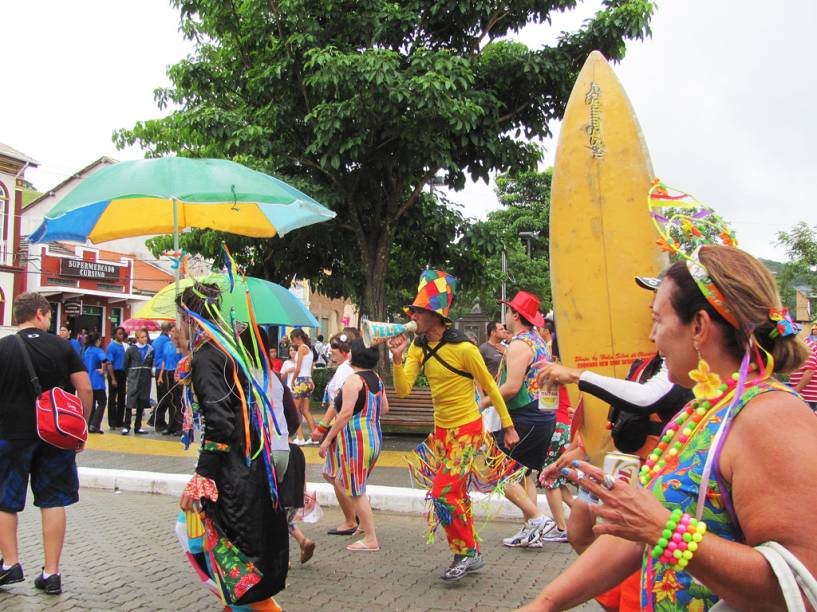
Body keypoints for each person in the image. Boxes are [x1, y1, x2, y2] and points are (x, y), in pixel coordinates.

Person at [522, 244, 817, 611]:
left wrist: (664, 529)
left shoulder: (770, 416)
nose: (651, 336)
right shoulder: (701, 410)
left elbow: (800, 584)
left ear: (698, 327)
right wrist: (545, 603)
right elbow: (640, 535)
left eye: (658, 320)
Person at [390, 269, 521, 581]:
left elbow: (490, 386)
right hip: (442, 433)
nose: (414, 316)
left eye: (419, 311)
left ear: (435, 316)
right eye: (414, 311)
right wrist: (397, 359)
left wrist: (508, 426)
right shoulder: (418, 346)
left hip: (467, 429)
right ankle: (471, 552)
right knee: (457, 495)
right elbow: (405, 389)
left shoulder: (464, 349)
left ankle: (464, 552)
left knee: (443, 493)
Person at [176, 283, 289, 608]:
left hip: (234, 479)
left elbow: (221, 423)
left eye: (179, 319)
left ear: (190, 317)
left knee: (238, 573)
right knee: (236, 576)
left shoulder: (209, 357)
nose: (176, 328)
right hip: (248, 471)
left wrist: (202, 476)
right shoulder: (229, 352)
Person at [0, 292, 92, 595]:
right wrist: (82, 428)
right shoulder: (63, 346)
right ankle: (51, 574)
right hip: (55, 435)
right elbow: (85, 388)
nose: (50, 320)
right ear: (39, 314)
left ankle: (10, 563)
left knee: (4, 500)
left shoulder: (4, 347)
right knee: (53, 501)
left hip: (11, 435)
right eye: (49, 315)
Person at [478, 290, 557, 548]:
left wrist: (483, 403)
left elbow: (511, 387)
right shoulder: (538, 341)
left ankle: (537, 518)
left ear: (515, 314)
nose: (506, 316)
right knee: (525, 475)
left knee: (497, 471)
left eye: (509, 311)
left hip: (527, 416)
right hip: (542, 414)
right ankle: (530, 531)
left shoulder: (520, 345)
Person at [319, 339, 388, 552]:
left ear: (352, 356)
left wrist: (328, 439)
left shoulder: (353, 381)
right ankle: (363, 528)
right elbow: (384, 408)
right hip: (375, 438)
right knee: (348, 481)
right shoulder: (376, 379)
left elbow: (346, 413)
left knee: (357, 491)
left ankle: (371, 538)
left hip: (357, 441)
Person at [311, 330, 360, 535]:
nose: (331, 353)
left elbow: (338, 403)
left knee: (335, 475)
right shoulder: (348, 369)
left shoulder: (344, 371)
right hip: (344, 429)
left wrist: (322, 427)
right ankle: (356, 515)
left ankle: (352, 519)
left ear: (346, 351)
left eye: (335, 349)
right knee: (335, 474)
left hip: (342, 429)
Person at [122, 329, 154, 435]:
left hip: (145, 378)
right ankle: (126, 425)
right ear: (137, 338)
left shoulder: (150, 349)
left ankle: (138, 426)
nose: (144, 339)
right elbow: (125, 365)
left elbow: (151, 363)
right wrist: (129, 376)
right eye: (142, 337)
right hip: (134, 378)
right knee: (130, 401)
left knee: (142, 401)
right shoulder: (131, 349)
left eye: (145, 336)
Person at [289, 329, 316, 443]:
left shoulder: (301, 349)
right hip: (308, 380)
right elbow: (309, 368)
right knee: (305, 410)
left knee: (295, 410)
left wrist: (293, 379)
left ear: (297, 337)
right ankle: (315, 436)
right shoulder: (309, 350)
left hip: (301, 380)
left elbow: (298, 368)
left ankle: (300, 437)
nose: (292, 341)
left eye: (292, 338)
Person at [82, 333, 108, 434]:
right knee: (102, 402)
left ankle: (89, 425)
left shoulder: (87, 351)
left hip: (88, 380)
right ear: (97, 341)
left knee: (91, 404)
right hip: (98, 381)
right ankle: (95, 424)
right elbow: (104, 359)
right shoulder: (98, 351)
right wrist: (103, 369)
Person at [150, 322, 173, 431]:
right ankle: (156, 419)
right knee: (166, 396)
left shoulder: (155, 341)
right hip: (165, 369)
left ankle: (159, 421)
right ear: (169, 330)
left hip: (157, 369)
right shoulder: (168, 342)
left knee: (161, 396)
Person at [160, 329, 184, 435]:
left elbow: (183, 361)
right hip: (167, 372)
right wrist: (160, 375)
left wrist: (180, 375)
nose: (174, 334)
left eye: (177, 331)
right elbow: (164, 361)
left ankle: (180, 426)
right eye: (172, 331)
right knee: (170, 401)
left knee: (178, 401)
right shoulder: (166, 345)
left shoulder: (181, 346)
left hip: (177, 373)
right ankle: (171, 426)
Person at [105, 326, 128, 431]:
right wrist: (113, 378)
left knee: (122, 398)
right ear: (115, 335)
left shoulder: (124, 346)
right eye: (119, 333)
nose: (121, 335)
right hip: (114, 373)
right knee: (112, 398)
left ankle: (120, 420)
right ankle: (112, 421)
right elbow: (109, 363)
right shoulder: (111, 346)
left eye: (122, 334)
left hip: (122, 373)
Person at [788, 335, 817, 412]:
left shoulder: (806, 347)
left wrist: (796, 390)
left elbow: (810, 371)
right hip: (804, 395)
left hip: (806, 395)